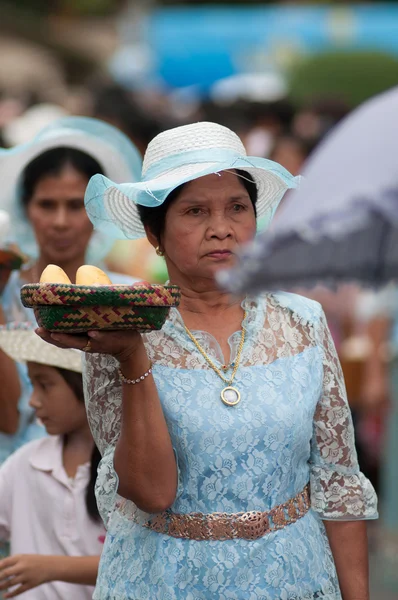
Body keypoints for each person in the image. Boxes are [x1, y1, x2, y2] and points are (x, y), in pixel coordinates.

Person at [39, 121, 378, 599]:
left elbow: (338, 484)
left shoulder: (303, 321)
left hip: (292, 579)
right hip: (161, 581)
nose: (221, 228)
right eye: (195, 211)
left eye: (237, 208)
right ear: (154, 231)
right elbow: (151, 491)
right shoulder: (120, 324)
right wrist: (133, 353)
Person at [0, 116, 142, 463]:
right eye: (47, 205)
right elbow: (9, 418)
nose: (61, 221)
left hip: (102, 480)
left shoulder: (124, 299)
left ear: (98, 212)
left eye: (76, 205)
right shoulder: (6, 293)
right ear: (26, 209)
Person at [0, 323, 105, 599]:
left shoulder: (121, 471)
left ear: (86, 384)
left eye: (45, 385)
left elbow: (140, 561)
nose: (33, 401)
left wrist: (51, 568)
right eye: (32, 384)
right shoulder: (25, 463)